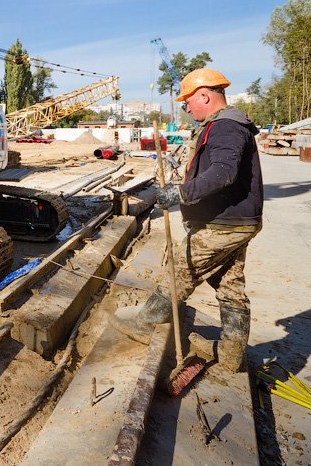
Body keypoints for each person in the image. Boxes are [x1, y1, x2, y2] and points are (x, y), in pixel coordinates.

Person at [110, 68, 263, 372]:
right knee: (230, 285)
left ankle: (145, 324)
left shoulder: (225, 127)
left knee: (180, 270)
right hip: (235, 220)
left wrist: (180, 193)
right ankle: (232, 356)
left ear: (204, 95)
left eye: (188, 102)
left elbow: (223, 173)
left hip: (223, 223)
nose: (187, 108)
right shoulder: (226, 124)